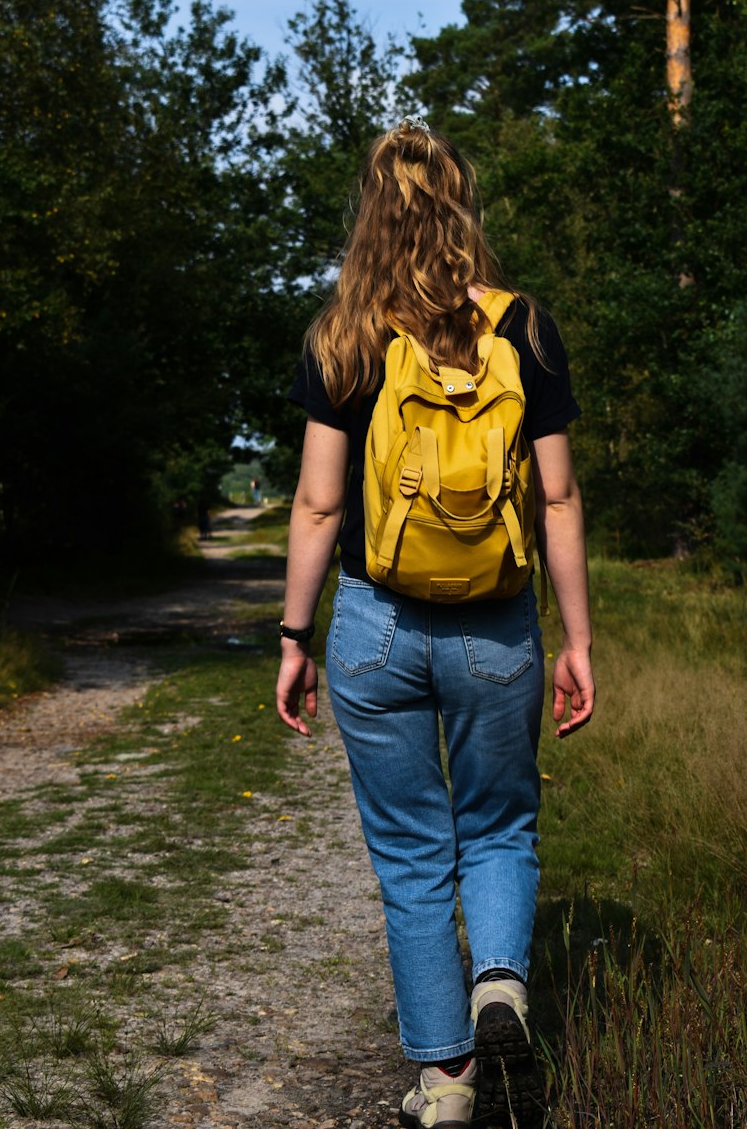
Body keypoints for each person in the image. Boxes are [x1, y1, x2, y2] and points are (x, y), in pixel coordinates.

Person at [276, 118, 594, 1129]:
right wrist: (577, 641)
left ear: (368, 216)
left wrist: (292, 636)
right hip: (496, 627)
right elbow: (557, 498)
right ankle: (499, 980)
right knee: (498, 825)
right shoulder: (523, 328)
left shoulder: (342, 336)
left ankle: (446, 1085)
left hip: (372, 623)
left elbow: (319, 506)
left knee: (411, 856)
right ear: (463, 206)